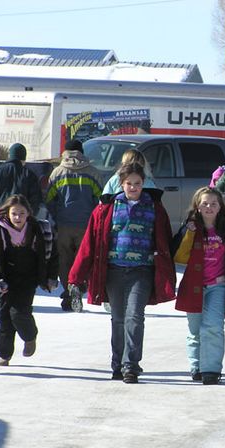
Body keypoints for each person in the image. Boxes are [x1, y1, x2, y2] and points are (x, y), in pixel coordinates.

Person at [68, 163, 176, 384]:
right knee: (118, 319)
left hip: (142, 271)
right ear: (121, 184)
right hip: (114, 270)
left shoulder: (154, 207)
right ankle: (117, 363)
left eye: (137, 183)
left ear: (143, 183)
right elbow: (90, 243)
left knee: (135, 316)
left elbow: (166, 240)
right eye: (129, 183)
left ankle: (131, 365)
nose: (133, 187)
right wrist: (75, 276)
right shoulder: (107, 208)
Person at [173, 187, 225, 385]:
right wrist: (189, 234)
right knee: (195, 330)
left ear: (220, 207)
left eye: (214, 203)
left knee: (213, 327)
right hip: (193, 286)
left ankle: (211, 370)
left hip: (218, 286)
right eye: (204, 203)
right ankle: (197, 367)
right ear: (197, 206)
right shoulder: (189, 229)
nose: (209, 207)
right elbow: (179, 257)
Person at [0, 195, 59, 366]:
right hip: (5, 280)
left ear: (28, 214)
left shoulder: (39, 230)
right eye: (14, 213)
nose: (18, 217)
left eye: (22, 213)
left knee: (19, 313)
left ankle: (29, 336)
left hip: (28, 279)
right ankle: (4, 354)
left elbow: (53, 255)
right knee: (4, 317)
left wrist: (51, 277)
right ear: (7, 214)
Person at [45, 139, 103, 311]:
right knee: (83, 259)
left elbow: (49, 200)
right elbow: (100, 201)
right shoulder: (93, 173)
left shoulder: (57, 173)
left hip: (63, 225)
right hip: (86, 226)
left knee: (64, 260)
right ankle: (79, 286)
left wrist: (57, 216)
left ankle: (68, 292)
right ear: (82, 152)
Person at [0, 143, 42, 225]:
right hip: (20, 221)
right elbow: (35, 201)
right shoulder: (29, 175)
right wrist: (27, 216)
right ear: (23, 159)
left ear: (10, 156)